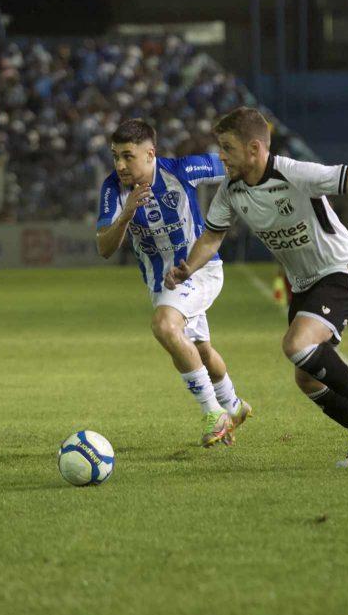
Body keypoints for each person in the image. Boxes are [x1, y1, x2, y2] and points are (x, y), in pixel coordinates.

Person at [165, 107, 348, 467]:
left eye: (227, 148)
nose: (222, 157)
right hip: (305, 284)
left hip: (343, 270)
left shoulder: (294, 173)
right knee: (306, 378)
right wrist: (187, 270)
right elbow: (213, 237)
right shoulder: (231, 190)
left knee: (296, 344)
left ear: (255, 149)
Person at [96, 119, 252, 447]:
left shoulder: (181, 170)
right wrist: (125, 215)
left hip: (200, 269)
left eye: (128, 156)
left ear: (150, 154)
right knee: (201, 351)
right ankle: (235, 406)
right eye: (115, 156)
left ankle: (215, 414)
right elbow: (104, 248)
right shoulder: (113, 189)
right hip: (160, 284)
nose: (120, 165)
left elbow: (232, 164)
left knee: (165, 327)